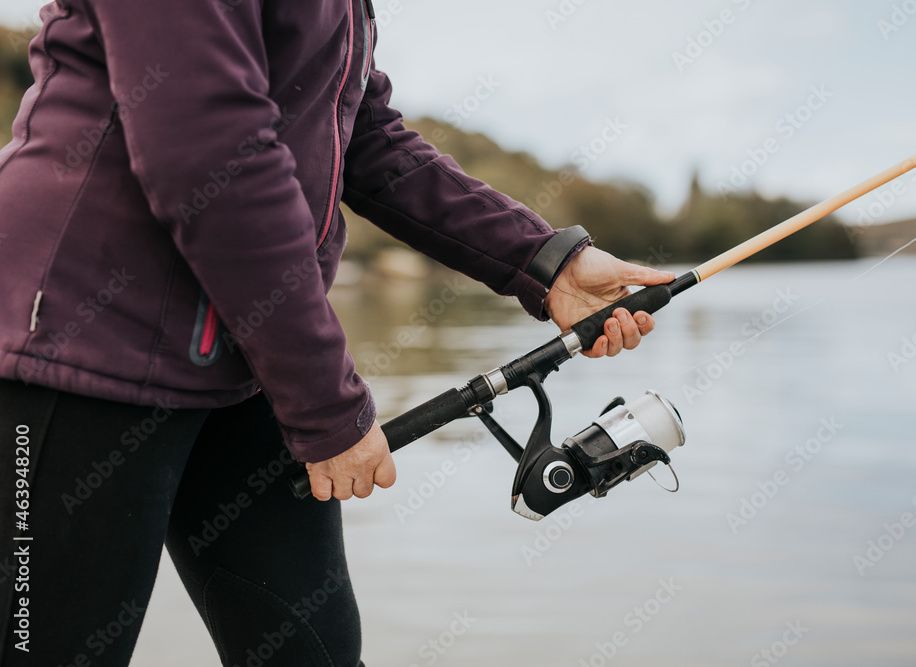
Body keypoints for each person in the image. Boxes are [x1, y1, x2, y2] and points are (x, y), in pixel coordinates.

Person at [0, 1, 673, 665]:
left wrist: (544, 260)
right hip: (77, 344)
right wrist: (325, 405)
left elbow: (366, 136)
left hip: (249, 360)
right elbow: (210, 152)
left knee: (312, 651)